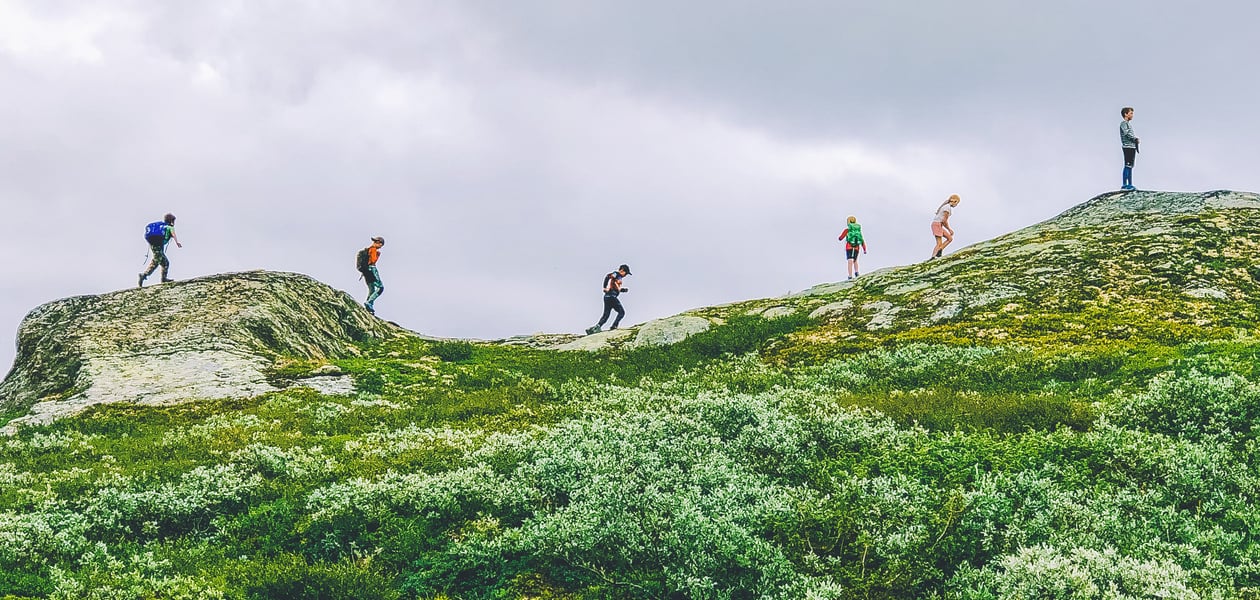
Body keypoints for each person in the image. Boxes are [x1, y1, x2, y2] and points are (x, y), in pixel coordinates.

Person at [138, 213, 182, 287]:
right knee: (157, 262)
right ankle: (144, 275)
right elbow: (173, 234)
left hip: (154, 245)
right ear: (171, 221)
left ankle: (163, 278)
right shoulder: (169, 227)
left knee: (164, 263)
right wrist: (177, 242)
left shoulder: (162, 226)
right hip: (158, 245)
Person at [586, 264, 632, 334]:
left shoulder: (618, 277)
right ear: (622, 270)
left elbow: (615, 287)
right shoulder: (617, 274)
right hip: (612, 296)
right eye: (626, 273)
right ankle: (614, 326)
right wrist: (604, 287)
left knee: (606, 314)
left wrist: (623, 290)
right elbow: (608, 276)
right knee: (621, 312)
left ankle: (596, 327)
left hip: (607, 297)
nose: (625, 275)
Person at [357, 236, 385, 314]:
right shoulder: (373, 250)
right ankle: (369, 302)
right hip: (372, 269)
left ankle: (368, 307)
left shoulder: (367, 250)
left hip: (365, 272)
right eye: (379, 243)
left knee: (372, 289)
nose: (379, 245)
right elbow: (372, 260)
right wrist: (377, 255)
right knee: (380, 288)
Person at [930, 195, 960, 260]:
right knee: (939, 243)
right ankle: (933, 257)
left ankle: (939, 251)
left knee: (949, 238)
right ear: (955, 201)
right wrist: (949, 229)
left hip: (938, 225)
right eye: (957, 203)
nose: (956, 205)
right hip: (937, 225)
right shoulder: (947, 208)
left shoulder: (945, 206)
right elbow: (944, 221)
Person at [838, 216, 867, 280]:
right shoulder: (858, 232)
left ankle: (850, 276)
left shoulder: (847, 230)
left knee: (849, 261)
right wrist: (864, 249)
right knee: (855, 260)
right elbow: (862, 240)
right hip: (856, 248)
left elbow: (840, 238)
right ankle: (856, 272)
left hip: (849, 247)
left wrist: (840, 238)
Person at [1120, 107, 1139, 190]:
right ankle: (1124, 184)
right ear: (1126, 114)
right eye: (1131, 113)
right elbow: (1127, 133)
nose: (1132, 115)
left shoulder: (1128, 124)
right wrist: (1134, 138)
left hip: (1132, 147)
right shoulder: (1124, 123)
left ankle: (1130, 184)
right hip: (1127, 146)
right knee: (1127, 165)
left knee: (1130, 166)